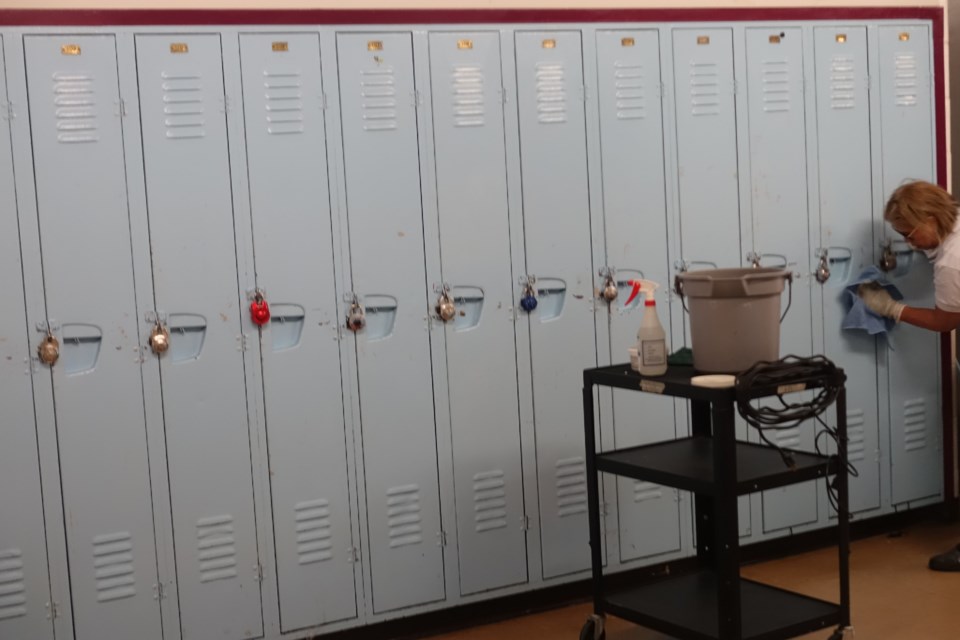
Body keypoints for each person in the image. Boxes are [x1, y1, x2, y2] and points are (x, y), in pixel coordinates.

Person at [858, 179, 960, 571]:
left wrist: (892, 309)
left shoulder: (951, 261)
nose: (907, 241)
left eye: (908, 232)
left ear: (930, 218)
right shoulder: (951, 236)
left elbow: (945, 320)